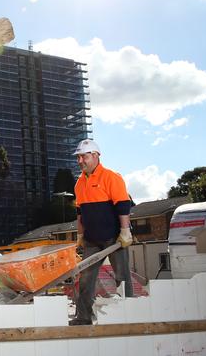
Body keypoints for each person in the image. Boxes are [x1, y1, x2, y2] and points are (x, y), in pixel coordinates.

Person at [70, 139, 134, 326]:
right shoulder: (79, 184)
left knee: (122, 277)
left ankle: (130, 314)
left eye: (84, 156)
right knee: (86, 280)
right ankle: (83, 317)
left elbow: (123, 205)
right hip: (92, 239)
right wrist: (80, 235)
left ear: (96, 155)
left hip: (114, 238)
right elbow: (80, 212)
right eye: (78, 157)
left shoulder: (111, 177)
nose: (81, 160)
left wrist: (125, 231)